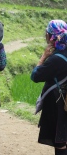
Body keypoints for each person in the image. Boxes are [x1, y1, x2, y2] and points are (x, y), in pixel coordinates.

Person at [31, 20, 67, 155]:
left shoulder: (55, 59)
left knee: (60, 143)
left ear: (52, 37)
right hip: (64, 101)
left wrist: (43, 57)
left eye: (47, 33)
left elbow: (35, 76)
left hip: (57, 104)